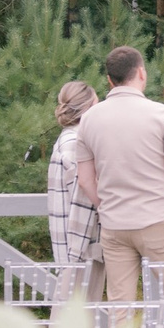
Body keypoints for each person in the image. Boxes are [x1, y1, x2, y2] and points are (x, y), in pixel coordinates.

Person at [74, 45, 164, 304]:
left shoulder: (88, 119)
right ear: (142, 73)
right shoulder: (162, 114)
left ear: (109, 80)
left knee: (121, 309)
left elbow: (85, 179)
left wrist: (105, 205)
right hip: (158, 221)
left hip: (115, 225)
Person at [45, 81, 104, 300]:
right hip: (79, 248)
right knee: (73, 320)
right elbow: (84, 193)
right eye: (97, 103)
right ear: (88, 107)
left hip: (76, 248)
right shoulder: (74, 142)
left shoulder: (69, 139)